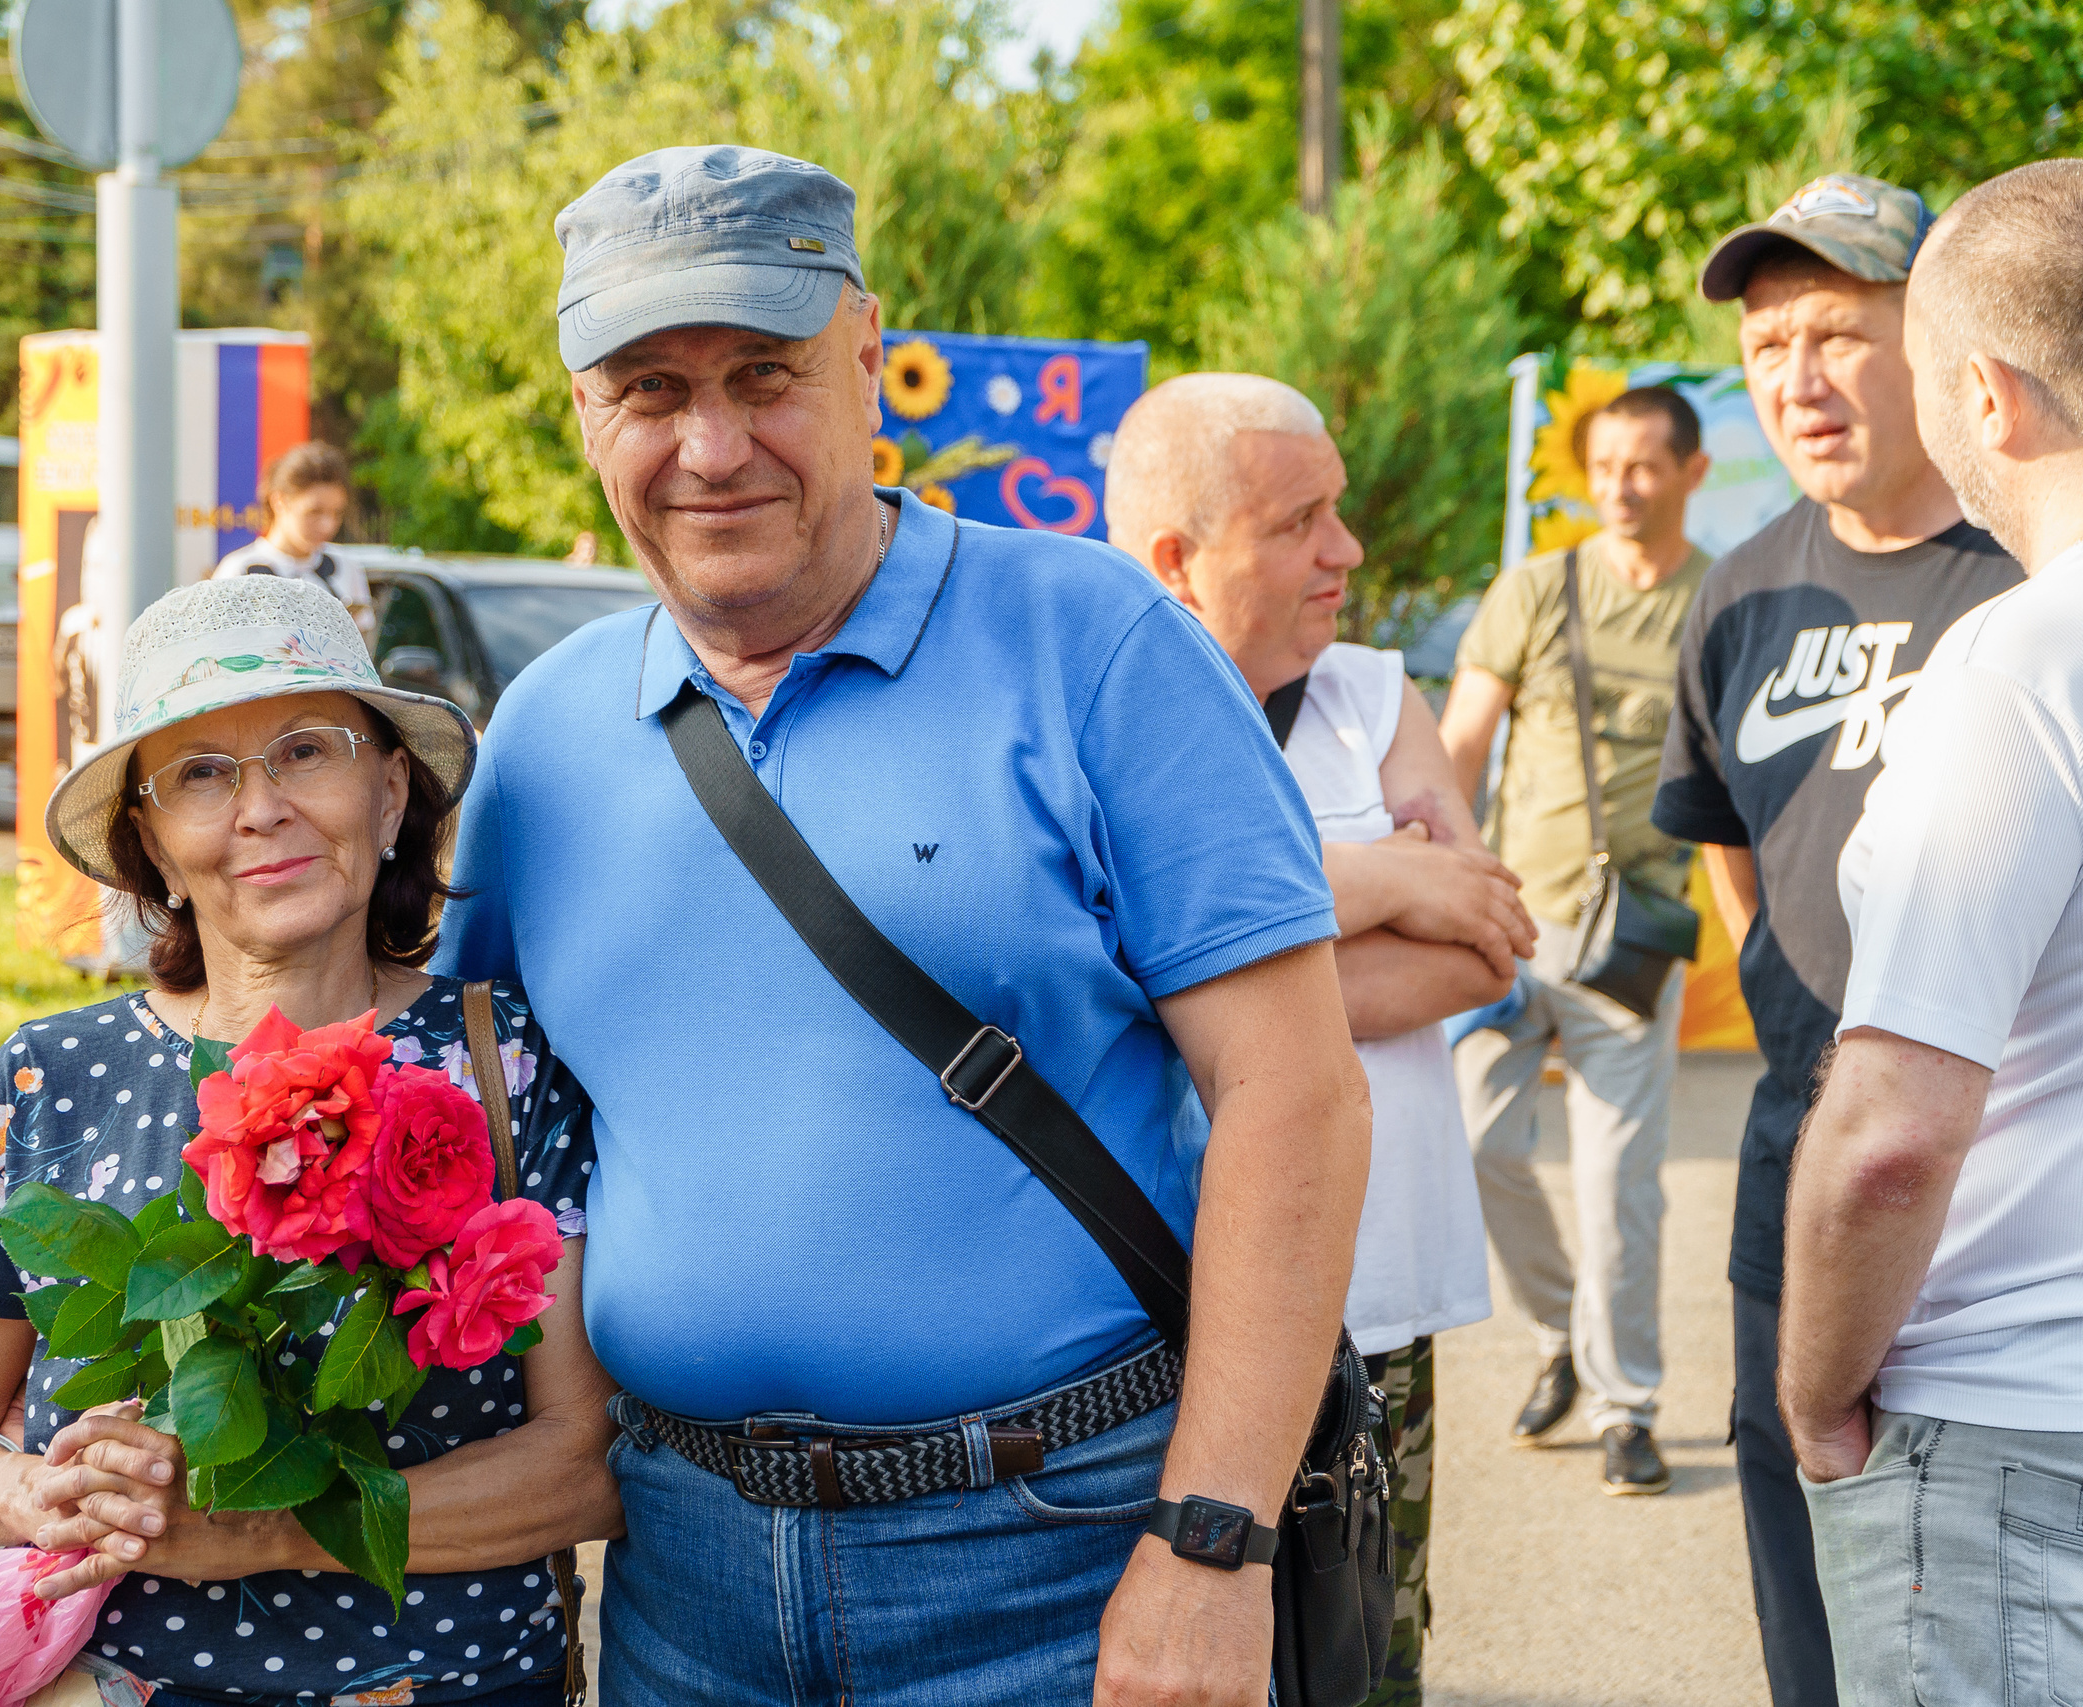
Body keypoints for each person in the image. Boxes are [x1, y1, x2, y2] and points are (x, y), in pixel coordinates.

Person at [436, 145, 1370, 1706]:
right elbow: (479, 1129)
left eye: (766, 374)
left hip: (1068, 1556)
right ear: (583, 417)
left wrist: (1211, 1545)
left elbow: (1298, 1098)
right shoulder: (541, 738)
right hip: (684, 1578)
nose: (712, 445)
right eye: (650, 391)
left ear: (871, 356)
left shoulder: (1098, 643)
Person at [0, 574, 619, 1704]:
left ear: (389, 794)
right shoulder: (45, 1082)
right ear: (154, 849)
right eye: (201, 776)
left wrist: (270, 1532)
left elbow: (587, 1464)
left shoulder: (506, 1064)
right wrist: (35, 1494)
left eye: (306, 751)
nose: (259, 808)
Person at [1651, 173, 2024, 1707]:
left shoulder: (2030, 579)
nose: (1795, 379)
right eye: (1765, 345)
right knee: (1801, 1548)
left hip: (2013, 1180)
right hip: (1795, 1162)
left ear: (1932, 341)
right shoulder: (1735, 597)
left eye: (1837, 332)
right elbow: (1734, 856)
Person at [1104, 371, 1515, 1707]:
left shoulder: (1371, 695)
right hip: (1164, 1319)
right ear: (1179, 556)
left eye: (1338, 511)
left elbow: (1479, 945)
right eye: (1302, 521)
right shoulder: (1101, 701)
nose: (1346, 551)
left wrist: (1203, 950)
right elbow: (1109, 948)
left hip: (1378, 1301)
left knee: (1365, 1642)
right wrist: (1382, 876)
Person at [1777, 158, 2083, 1707]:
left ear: (1985, 392)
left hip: (2019, 1433)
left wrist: (1814, 1384)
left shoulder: (2019, 660)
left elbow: (1893, 1132)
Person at [1435, 384, 1714, 1494]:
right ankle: (1559, 1331)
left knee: (1617, 1185)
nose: (1620, 485)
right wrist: (1446, 877)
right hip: (1506, 924)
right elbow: (1459, 743)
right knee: (1477, 1147)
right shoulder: (1537, 588)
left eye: (1645, 464)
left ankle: (1622, 1403)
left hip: (1631, 944)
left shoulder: (1718, 599)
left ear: (1690, 472)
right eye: (1604, 465)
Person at [211, 440, 378, 646]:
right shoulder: (238, 570)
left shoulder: (345, 566)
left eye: (336, 513)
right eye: (314, 512)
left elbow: (361, 652)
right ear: (279, 501)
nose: (327, 526)